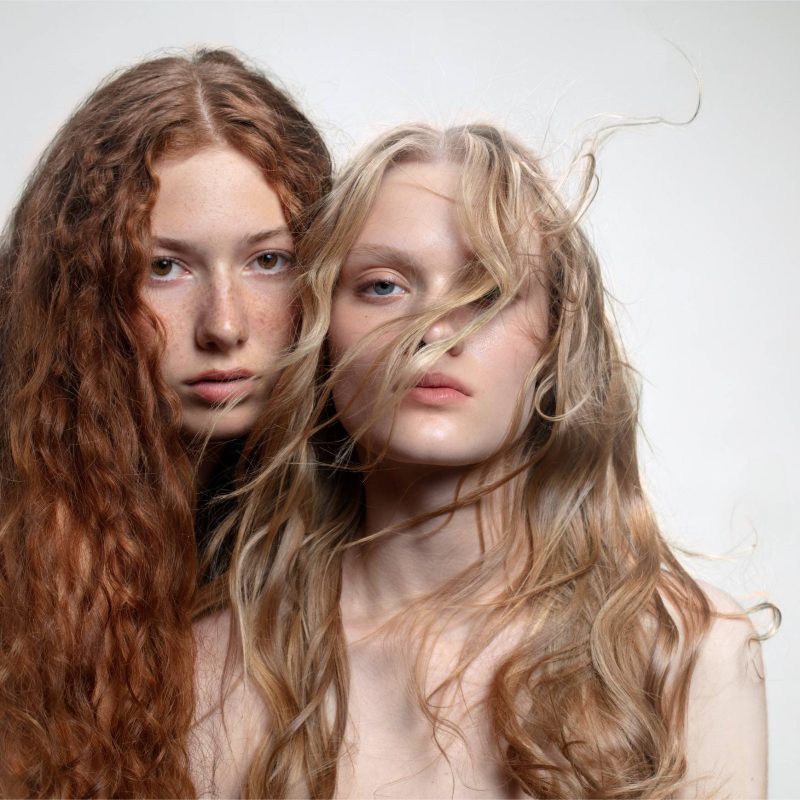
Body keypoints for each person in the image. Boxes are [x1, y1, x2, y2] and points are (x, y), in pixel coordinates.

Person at [191, 123, 772, 799]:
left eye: (490, 291)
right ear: (319, 331)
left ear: (555, 341)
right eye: (383, 286)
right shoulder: (211, 670)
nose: (437, 330)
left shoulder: (688, 653)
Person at [0, 49, 331, 797]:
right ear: (81, 293)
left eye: (269, 261)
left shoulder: (344, 510)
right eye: (164, 268)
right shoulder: (21, 530)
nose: (223, 325)